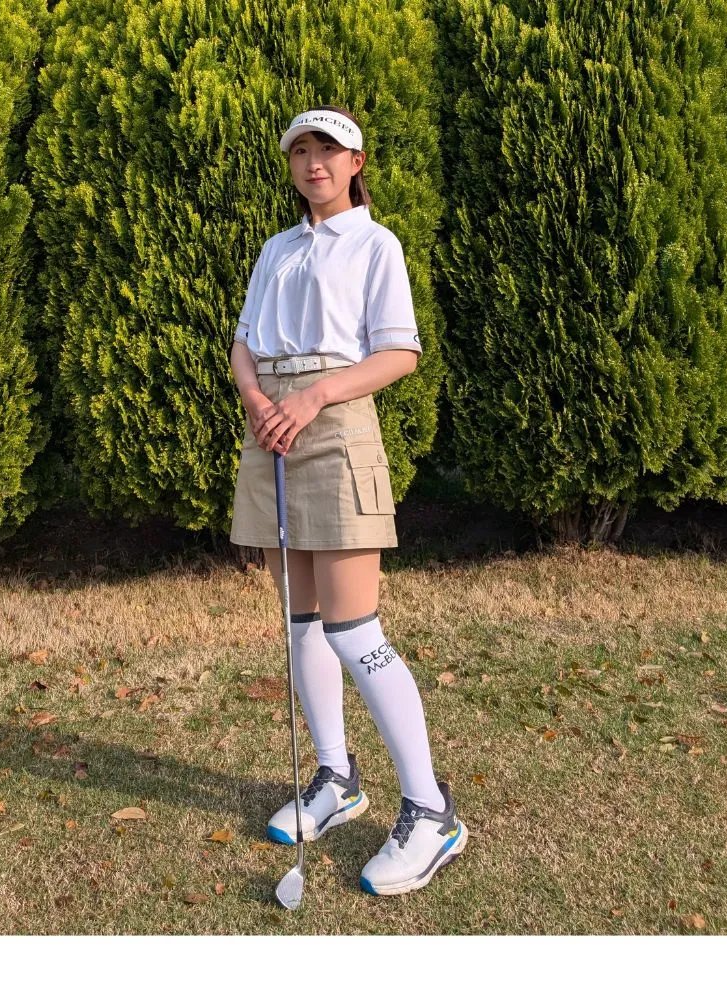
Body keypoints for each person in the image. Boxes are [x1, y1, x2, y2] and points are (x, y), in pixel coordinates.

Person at [229, 106, 467, 896]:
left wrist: (312, 396)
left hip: (332, 428)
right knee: (299, 620)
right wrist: (258, 400)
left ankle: (431, 813)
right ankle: (336, 778)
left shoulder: (375, 243)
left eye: (328, 149)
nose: (313, 162)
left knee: (353, 628)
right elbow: (243, 342)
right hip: (272, 429)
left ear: (356, 162)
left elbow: (400, 352)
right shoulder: (276, 248)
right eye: (301, 150)